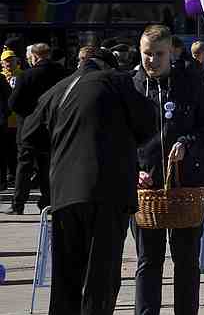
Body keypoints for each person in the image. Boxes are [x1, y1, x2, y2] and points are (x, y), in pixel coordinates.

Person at [21, 48, 155, 315]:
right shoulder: (116, 82)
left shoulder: (59, 89)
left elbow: (29, 134)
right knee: (101, 278)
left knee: (66, 278)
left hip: (64, 195)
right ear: (109, 66)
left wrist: (61, 147)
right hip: (108, 194)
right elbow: (148, 123)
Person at [133, 24, 204, 315]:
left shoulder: (191, 83)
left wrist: (189, 142)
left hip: (188, 186)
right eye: (147, 54)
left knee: (186, 261)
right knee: (148, 261)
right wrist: (133, 168)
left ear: (170, 52)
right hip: (147, 190)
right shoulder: (130, 86)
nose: (152, 60)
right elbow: (117, 136)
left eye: (158, 54)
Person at [9, 43, 70, 214]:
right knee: (48, 165)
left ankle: (18, 204)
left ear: (34, 57)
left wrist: (29, 114)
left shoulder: (26, 76)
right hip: (54, 126)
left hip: (29, 128)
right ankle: (48, 201)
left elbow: (13, 103)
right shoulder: (63, 74)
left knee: (25, 165)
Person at [1, 48, 22, 189]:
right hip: (4, 121)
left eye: (11, 60)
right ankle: (7, 175)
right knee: (5, 150)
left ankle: (14, 175)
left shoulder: (22, 75)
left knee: (15, 150)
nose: (8, 63)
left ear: (16, 61)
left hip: (17, 121)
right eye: (6, 61)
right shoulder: (1, 77)